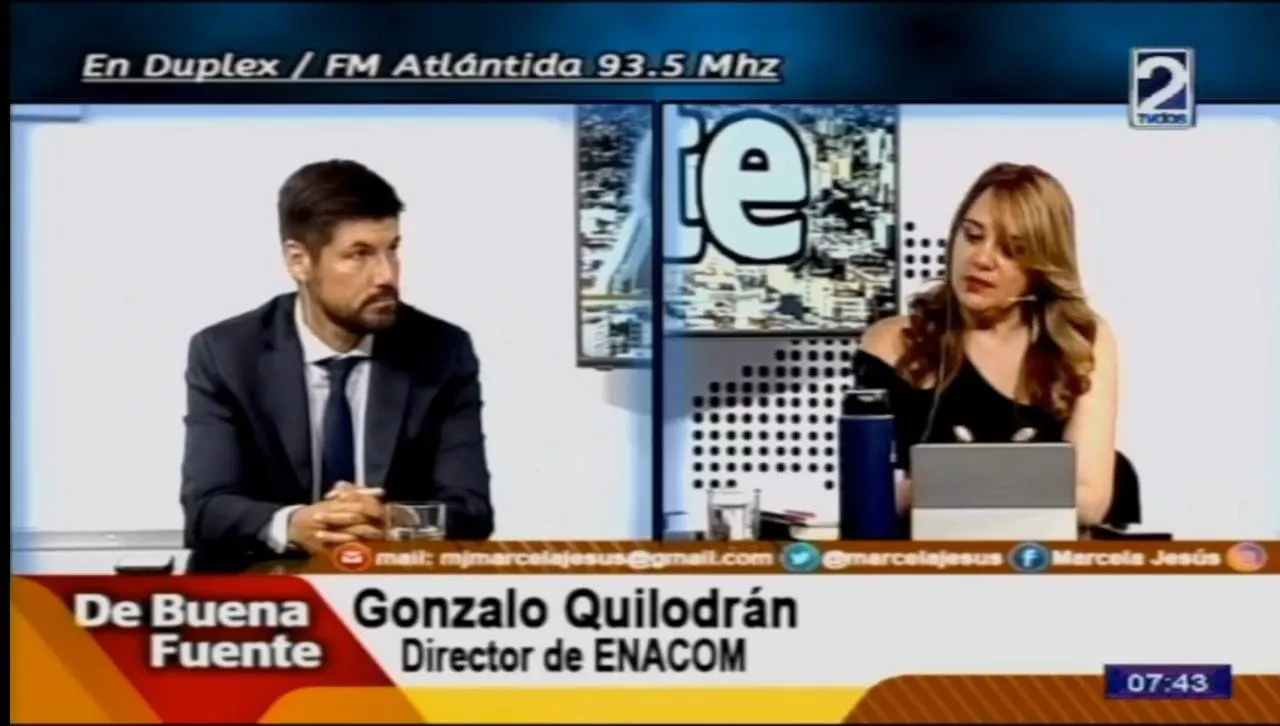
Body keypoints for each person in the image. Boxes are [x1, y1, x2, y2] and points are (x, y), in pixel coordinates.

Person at [180, 159, 494, 571]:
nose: (386, 275)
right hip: (265, 589)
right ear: (299, 261)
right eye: (358, 254)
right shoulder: (227, 354)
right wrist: (294, 524)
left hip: (388, 591)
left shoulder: (441, 350)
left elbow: (472, 511)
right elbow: (207, 510)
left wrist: (393, 520)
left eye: (392, 249)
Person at [856, 162, 1119, 527]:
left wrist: (942, 485)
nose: (981, 259)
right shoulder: (891, 344)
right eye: (972, 235)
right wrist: (1028, 486)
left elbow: (1089, 500)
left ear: (1041, 267)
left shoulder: (1080, 339)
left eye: (1011, 250)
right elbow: (870, 499)